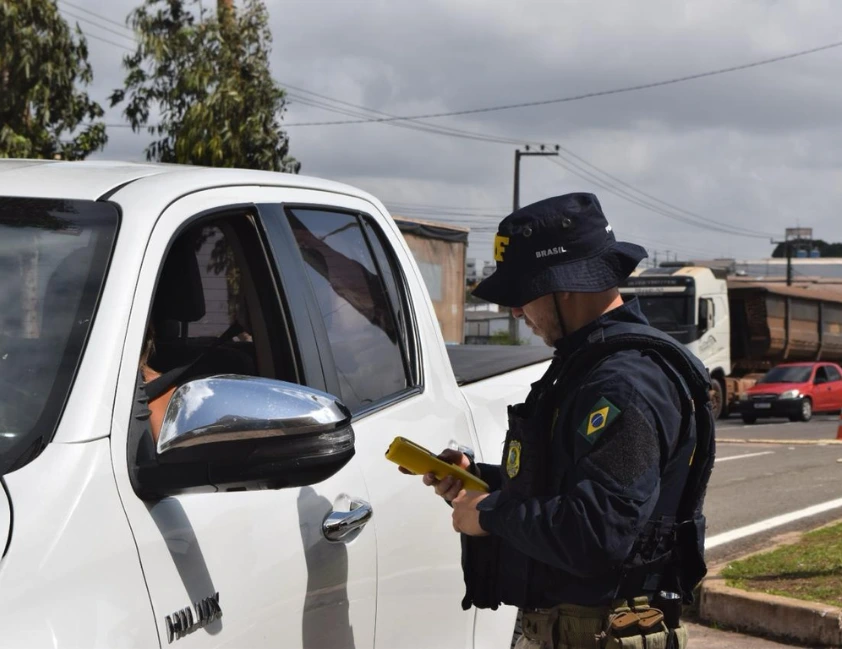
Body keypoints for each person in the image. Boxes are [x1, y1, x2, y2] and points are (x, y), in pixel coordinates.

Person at [418, 193, 714, 649]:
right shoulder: (589, 366)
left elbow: (598, 531)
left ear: (567, 285)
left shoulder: (624, 384)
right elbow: (574, 489)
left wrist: (493, 515)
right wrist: (483, 483)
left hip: (599, 633)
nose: (516, 311)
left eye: (524, 294)